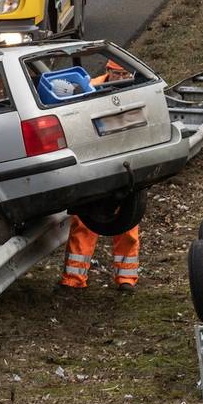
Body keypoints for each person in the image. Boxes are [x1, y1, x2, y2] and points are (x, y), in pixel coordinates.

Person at [59, 59, 139, 291]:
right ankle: (73, 280)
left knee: (128, 224)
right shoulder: (89, 90)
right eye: (117, 73)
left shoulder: (136, 92)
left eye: (125, 74)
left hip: (124, 167)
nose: (121, 78)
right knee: (84, 223)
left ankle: (126, 279)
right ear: (108, 72)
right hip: (94, 166)